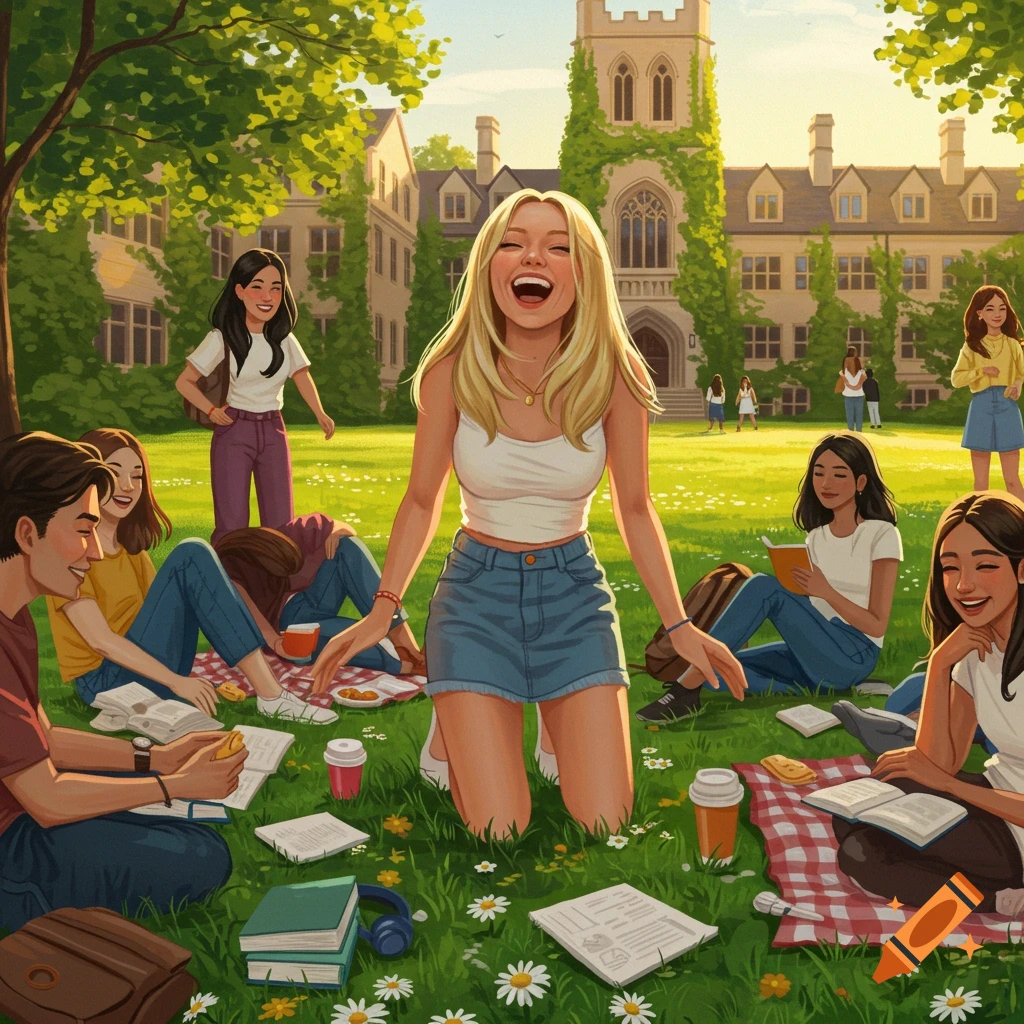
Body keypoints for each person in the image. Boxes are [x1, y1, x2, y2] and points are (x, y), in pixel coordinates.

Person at [307, 189, 745, 840]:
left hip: (572, 593)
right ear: (488, 265)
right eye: (512, 242)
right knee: (499, 828)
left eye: (558, 245)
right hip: (475, 594)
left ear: (584, 273)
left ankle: (544, 716)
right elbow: (423, 498)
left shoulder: (615, 371)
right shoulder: (452, 370)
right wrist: (382, 608)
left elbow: (634, 506)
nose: (532, 255)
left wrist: (679, 624)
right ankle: (450, 729)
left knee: (604, 820)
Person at [0, 432, 243, 932]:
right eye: (83, 530)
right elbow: (45, 797)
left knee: (182, 821)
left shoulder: (15, 618)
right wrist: (172, 784)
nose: (93, 552)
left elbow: (45, 741)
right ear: (27, 534)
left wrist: (156, 759)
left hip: (23, 809)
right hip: (13, 845)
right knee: (202, 856)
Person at [44, 428, 337, 725]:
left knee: (194, 558)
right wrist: (175, 681)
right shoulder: (68, 551)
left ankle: (271, 692)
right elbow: (100, 641)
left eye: (137, 476)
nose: (128, 486)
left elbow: (164, 615)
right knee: (192, 553)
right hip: (106, 682)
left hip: (149, 665)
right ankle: (272, 696)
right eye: (114, 473)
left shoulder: (133, 551)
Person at [833, 492, 1024, 912]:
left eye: (985, 565)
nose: (963, 585)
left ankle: (997, 901)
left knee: (862, 852)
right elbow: (940, 761)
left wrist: (950, 788)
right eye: (950, 567)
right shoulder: (976, 647)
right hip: (997, 792)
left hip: (1019, 833)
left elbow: (943, 777)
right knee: (854, 813)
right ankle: (970, 885)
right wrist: (940, 665)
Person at [637, 432, 901, 721]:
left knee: (764, 586)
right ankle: (815, 690)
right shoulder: (816, 538)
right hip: (816, 647)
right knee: (726, 667)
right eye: (819, 473)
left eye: (839, 474)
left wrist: (825, 591)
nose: (826, 483)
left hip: (854, 654)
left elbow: (876, 625)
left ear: (860, 482)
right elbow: (812, 611)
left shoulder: (881, 534)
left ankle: (684, 691)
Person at [174, 248, 336, 545]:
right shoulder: (221, 338)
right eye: (257, 287)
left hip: (274, 430)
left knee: (280, 523)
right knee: (231, 523)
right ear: (239, 291)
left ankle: (278, 586)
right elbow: (185, 382)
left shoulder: (284, 340)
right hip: (234, 430)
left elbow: (302, 376)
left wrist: (320, 413)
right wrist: (211, 411)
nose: (267, 297)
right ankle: (228, 582)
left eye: (276, 288)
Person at [213, 516, 425, 676]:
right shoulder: (231, 569)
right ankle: (398, 664)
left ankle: (402, 640)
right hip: (288, 622)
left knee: (347, 546)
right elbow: (255, 618)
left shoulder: (291, 533)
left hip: (312, 597)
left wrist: (339, 532)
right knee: (345, 637)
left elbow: (343, 528)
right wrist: (279, 644)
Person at [950, 285, 1024, 502]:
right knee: (980, 482)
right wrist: (981, 371)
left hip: (1007, 406)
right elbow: (956, 379)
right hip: (980, 407)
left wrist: (1017, 385)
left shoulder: (1012, 345)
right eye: (990, 309)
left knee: (1012, 479)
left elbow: (1021, 373)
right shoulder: (972, 347)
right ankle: (980, 528)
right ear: (979, 313)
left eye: (1002, 309)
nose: (997, 314)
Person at [839, 347, 866, 432]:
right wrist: (855, 386)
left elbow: (847, 383)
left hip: (848, 395)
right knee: (859, 415)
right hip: (859, 395)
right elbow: (859, 384)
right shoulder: (861, 373)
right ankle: (859, 431)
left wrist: (842, 376)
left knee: (850, 415)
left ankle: (851, 431)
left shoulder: (844, 373)